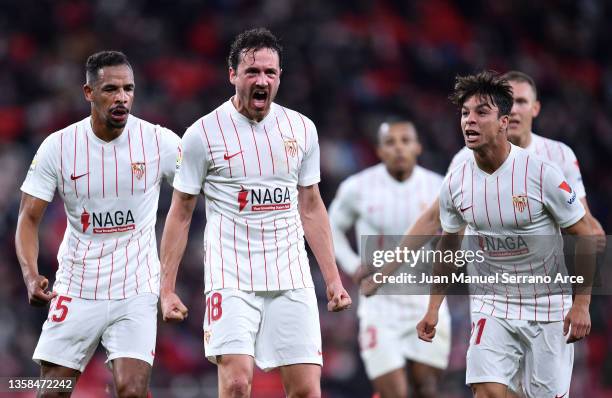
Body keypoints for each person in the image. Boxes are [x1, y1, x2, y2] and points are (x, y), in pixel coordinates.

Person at [158, 28, 351, 398]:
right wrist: (167, 289)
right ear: (232, 75)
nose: (262, 80)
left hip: (291, 275)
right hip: (230, 277)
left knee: (307, 391)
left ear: (279, 77)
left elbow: (310, 205)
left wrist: (332, 279)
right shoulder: (201, 134)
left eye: (270, 73)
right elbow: (180, 214)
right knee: (235, 384)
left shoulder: (302, 129)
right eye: (252, 72)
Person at [415, 71, 593, 398]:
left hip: (548, 306)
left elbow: (585, 234)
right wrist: (432, 308)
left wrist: (581, 304)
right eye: (465, 113)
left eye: (481, 112)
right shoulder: (456, 182)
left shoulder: (542, 173)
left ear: (503, 122)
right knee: (486, 390)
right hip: (493, 303)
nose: (470, 120)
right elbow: (448, 246)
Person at [15, 51, 180, 398]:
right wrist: (30, 275)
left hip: (136, 287)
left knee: (132, 390)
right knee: (51, 390)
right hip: (77, 286)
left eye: (128, 89)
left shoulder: (158, 141)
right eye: (110, 89)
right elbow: (28, 219)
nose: (122, 97)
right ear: (88, 93)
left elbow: (200, 185)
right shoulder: (58, 147)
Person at [361, 70, 605, 295]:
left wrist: (593, 233)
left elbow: (582, 219)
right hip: (490, 294)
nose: (516, 110)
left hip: (543, 291)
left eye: (522, 102)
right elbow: (432, 218)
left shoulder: (558, 155)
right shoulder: (464, 159)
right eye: (511, 101)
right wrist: (387, 271)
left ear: (535, 108)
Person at [328, 121, 451, 398]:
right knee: (394, 393)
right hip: (379, 307)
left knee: (427, 389)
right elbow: (329, 227)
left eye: (405, 140)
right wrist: (351, 265)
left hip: (425, 302)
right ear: (379, 151)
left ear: (417, 147)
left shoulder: (438, 186)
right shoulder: (357, 187)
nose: (398, 148)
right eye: (390, 142)